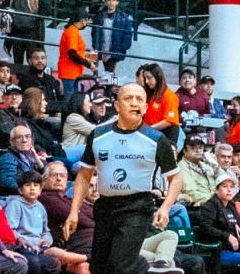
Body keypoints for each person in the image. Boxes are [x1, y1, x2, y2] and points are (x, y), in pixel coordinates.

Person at [63, 80, 177, 274]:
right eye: (128, 98)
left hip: (137, 207)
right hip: (105, 206)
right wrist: (74, 211)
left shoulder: (156, 139)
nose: (134, 103)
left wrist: (165, 207)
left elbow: (175, 178)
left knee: (120, 265)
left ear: (145, 106)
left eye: (139, 99)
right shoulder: (98, 135)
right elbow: (84, 175)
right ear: (116, 106)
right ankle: (144, 269)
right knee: (99, 267)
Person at [191, 173, 240, 274]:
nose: (229, 190)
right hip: (219, 251)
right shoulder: (211, 205)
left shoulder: (231, 205)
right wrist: (227, 236)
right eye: (225, 186)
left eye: (231, 187)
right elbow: (205, 227)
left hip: (235, 249)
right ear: (216, 189)